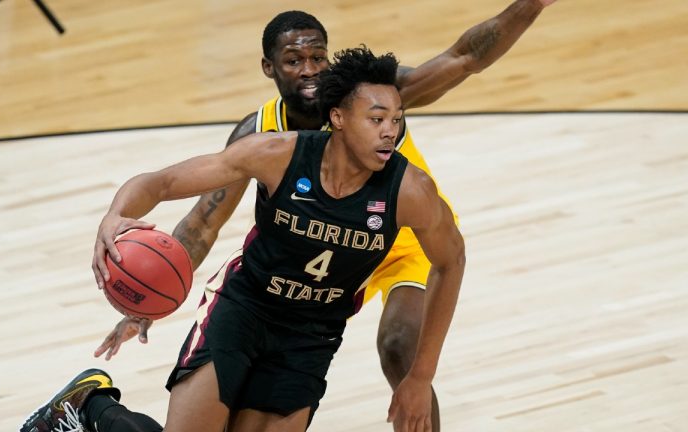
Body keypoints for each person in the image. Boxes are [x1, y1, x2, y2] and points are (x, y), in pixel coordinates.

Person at [93, 0, 554, 429]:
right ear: (270, 68)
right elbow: (200, 220)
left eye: (319, 58)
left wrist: (528, 5)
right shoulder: (265, 141)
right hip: (290, 270)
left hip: (391, 245)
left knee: (401, 349)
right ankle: (91, 410)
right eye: (295, 61)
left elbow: (466, 56)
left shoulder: (376, 104)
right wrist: (147, 293)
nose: (310, 71)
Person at [22, 46, 464, 432]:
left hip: (311, 335)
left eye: (397, 119)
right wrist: (116, 215)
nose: (391, 130)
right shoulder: (277, 155)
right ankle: (88, 404)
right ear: (339, 118)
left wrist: (420, 377)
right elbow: (163, 182)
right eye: (377, 118)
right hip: (243, 310)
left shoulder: (409, 191)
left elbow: (451, 261)